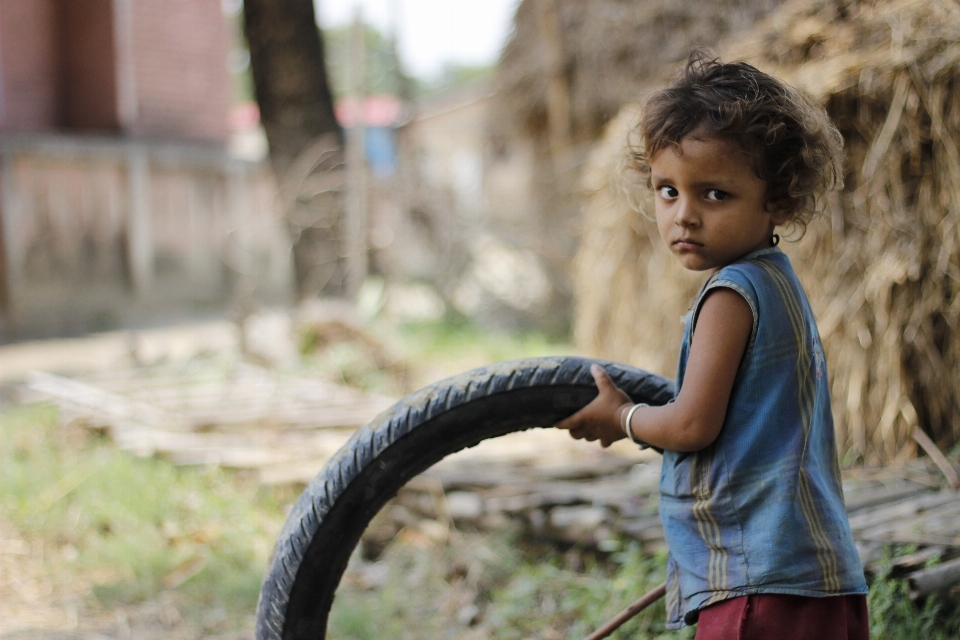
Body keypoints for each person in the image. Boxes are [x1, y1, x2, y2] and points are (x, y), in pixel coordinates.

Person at [556, 49, 869, 640]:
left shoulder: (731, 293)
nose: (685, 215)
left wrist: (620, 416)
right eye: (667, 191)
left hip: (762, 588)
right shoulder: (778, 283)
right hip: (819, 578)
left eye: (714, 194)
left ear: (776, 199)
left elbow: (692, 425)